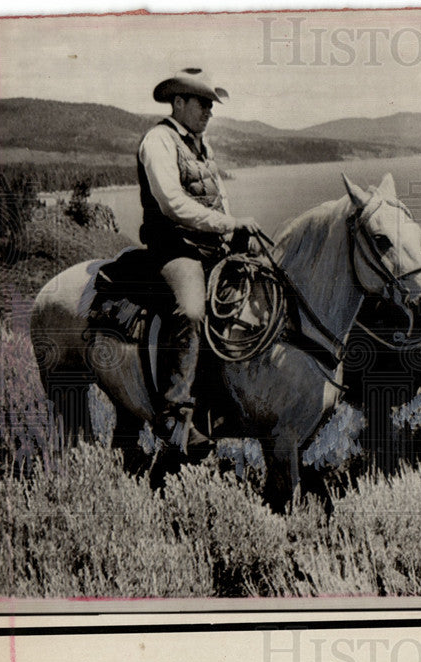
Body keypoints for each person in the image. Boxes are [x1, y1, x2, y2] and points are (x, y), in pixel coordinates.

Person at [137, 68, 262, 454]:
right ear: (178, 102)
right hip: (175, 249)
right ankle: (175, 414)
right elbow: (172, 203)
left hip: (211, 247)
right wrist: (227, 223)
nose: (210, 111)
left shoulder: (202, 146)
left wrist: (233, 233)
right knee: (191, 311)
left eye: (211, 104)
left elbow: (220, 200)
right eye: (203, 103)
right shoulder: (158, 140)